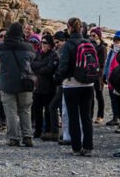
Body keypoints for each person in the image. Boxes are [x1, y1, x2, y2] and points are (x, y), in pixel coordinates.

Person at [54, 17, 95, 156]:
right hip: (88, 84)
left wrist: (57, 78)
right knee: (86, 116)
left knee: (73, 116)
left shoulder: (68, 45)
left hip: (71, 84)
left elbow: (63, 66)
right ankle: (88, 147)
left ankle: (76, 148)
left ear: (69, 27)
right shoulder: (88, 42)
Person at [0, 22, 36, 147]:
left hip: (7, 83)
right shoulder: (28, 47)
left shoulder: (0, 48)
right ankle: (27, 136)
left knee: (10, 111)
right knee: (25, 110)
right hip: (25, 83)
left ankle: (13, 137)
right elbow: (33, 60)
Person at [30, 33, 59, 140]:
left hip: (49, 88)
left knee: (48, 111)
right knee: (37, 111)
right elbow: (32, 65)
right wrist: (42, 65)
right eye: (41, 42)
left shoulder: (54, 55)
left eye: (45, 43)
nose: (43, 44)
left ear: (50, 44)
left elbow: (49, 69)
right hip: (38, 88)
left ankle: (48, 131)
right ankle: (38, 131)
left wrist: (40, 67)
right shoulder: (38, 53)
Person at [103, 30, 120, 127]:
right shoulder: (111, 52)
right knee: (113, 99)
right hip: (111, 79)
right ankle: (115, 117)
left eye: (119, 40)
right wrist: (104, 75)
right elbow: (107, 64)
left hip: (119, 80)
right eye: (115, 40)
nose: (117, 42)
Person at [88, 27, 107, 124]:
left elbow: (102, 63)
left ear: (99, 36)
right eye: (90, 35)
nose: (92, 37)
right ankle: (90, 115)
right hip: (90, 74)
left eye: (94, 35)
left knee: (99, 95)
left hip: (98, 75)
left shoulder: (102, 48)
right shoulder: (90, 46)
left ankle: (100, 115)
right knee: (90, 96)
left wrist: (99, 75)